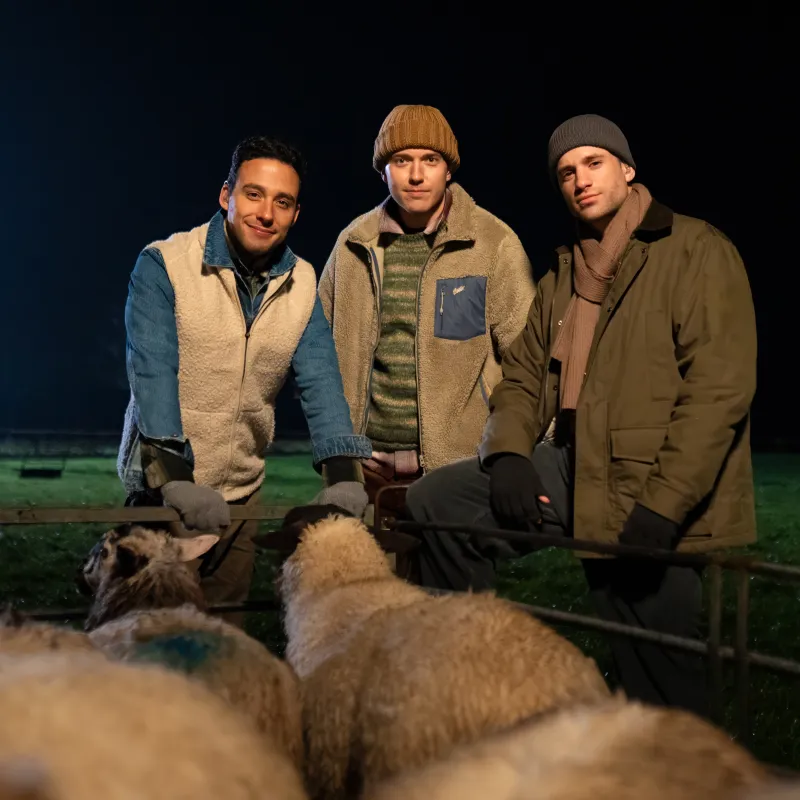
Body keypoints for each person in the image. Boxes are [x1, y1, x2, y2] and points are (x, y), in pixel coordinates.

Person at [405, 113, 757, 717]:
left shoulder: (696, 249)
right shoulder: (566, 273)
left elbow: (718, 391)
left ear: (627, 169)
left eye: (593, 163)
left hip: (653, 487)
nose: (579, 180)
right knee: (437, 504)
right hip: (576, 464)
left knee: (657, 679)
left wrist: (661, 505)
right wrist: (510, 454)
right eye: (565, 172)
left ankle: (694, 777)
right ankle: (466, 694)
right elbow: (521, 379)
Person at [116, 135, 372, 625]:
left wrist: (343, 474)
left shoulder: (301, 283)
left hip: (242, 498)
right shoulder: (164, 265)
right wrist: (174, 480)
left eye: (283, 202)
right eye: (253, 194)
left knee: (220, 645)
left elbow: (320, 379)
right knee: (149, 643)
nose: (266, 213)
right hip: (164, 495)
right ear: (225, 195)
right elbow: (153, 372)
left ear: (296, 214)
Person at [318, 104, 535, 515]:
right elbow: (317, 358)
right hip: (365, 471)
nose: (416, 175)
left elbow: (527, 362)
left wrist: (519, 452)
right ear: (383, 170)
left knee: (455, 581)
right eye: (402, 161)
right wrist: (340, 449)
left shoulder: (492, 244)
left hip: (458, 469)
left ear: (448, 169)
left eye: (429, 161)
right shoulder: (353, 245)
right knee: (360, 580)